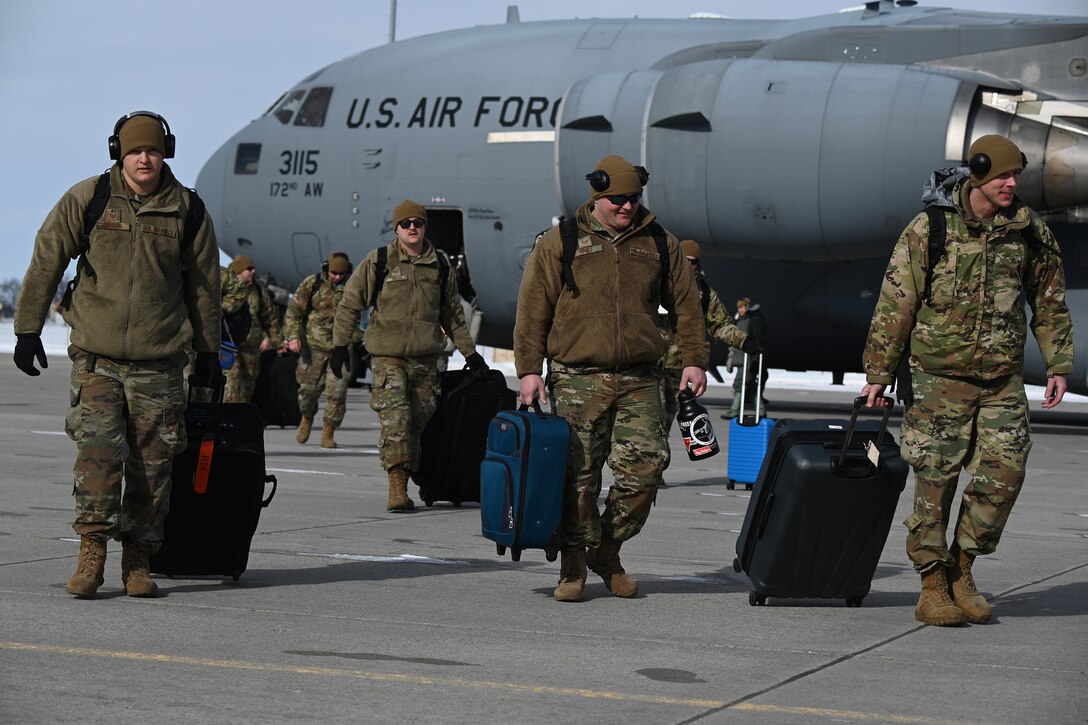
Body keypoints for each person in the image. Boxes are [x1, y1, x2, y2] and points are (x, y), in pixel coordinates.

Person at [860, 134, 1074, 626]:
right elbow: (897, 304)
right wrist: (878, 372)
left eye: (1017, 175)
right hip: (938, 379)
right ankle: (932, 584)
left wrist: (1058, 364)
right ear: (978, 174)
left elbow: (1049, 300)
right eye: (1002, 175)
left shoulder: (1028, 231)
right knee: (935, 480)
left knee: (1005, 474)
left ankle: (963, 566)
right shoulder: (930, 229)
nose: (1012, 184)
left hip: (1002, 380)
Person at [12, 111, 222, 598]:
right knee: (98, 459)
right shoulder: (89, 199)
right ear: (118, 153)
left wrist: (208, 351)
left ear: (165, 151)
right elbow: (47, 258)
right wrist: (27, 329)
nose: (143, 158)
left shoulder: (187, 210)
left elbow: (204, 288)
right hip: (98, 358)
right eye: (134, 151)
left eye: (151, 149)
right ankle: (91, 554)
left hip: (160, 362)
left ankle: (139, 561)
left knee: (153, 467)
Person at [514, 155, 709, 603]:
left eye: (634, 198)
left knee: (645, 471)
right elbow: (532, 309)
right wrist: (528, 370)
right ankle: (574, 565)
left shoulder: (659, 242)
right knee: (577, 480)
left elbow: (687, 306)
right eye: (618, 199)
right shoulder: (560, 241)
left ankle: (606, 548)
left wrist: (695, 360)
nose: (626, 207)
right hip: (576, 376)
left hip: (641, 377)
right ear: (597, 195)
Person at [331, 200, 487, 512]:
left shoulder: (439, 266)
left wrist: (471, 355)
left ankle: (415, 474)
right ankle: (397, 487)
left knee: (419, 422)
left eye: (418, 222)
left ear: (425, 226)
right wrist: (339, 346)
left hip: (427, 360)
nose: (412, 228)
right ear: (397, 228)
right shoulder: (379, 261)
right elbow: (350, 304)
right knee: (397, 420)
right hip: (389, 357)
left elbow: (453, 316)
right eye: (406, 224)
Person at [660, 239, 756, 430]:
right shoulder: (656, 284)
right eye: (683, 259)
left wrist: (745, 341)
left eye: (693, 261)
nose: (688, 265)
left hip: (678, 369)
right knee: (650, 420)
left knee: (663, 426)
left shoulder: (703, 293)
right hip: (649, 365)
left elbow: (720, 324)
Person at [283, 252, 360, 449]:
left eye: (341, 274)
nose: (337, 277)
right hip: (313, 349)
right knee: (307, 393)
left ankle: (329, 431)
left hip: (340, 350)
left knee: (337, 394)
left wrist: (360, 337)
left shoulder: (353, 286)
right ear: (326, 269)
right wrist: (292, 336)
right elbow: (294, 312)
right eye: (334, 273)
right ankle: (307, 417)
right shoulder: (312, 284)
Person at [222, 255, 282, 404]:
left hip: (251, 347)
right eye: (249, 269)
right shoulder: (226, 287)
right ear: (238, 271)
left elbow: (270, 318)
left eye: (253, 268)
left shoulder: (259, 291)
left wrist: (278, 343)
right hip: (229, 345)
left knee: (249, 386)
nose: (253, 271)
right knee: (232, 383)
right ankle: (230, 417)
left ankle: (242, 417)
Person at [727, 296, 769, 419]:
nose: (739, 309)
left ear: (747, 307)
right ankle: (760, 410)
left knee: (741, 383)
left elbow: (756, 340)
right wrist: (731, 354)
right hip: (741, 357)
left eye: (741, 307)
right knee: (748, 384)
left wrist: (755, 355)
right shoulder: (742, 319)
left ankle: (735, 410)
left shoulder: (754, 320)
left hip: (748, 357)